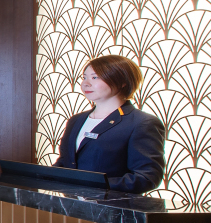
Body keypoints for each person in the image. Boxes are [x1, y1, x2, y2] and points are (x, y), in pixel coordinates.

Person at [54, 54, 165, 192]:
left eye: (95, 77)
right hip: (70, 203)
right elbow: (64, 163)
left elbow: (147, 178)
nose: (86, 83)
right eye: (84, 77)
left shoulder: (142, 123)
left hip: (110, 204)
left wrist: (90, 185)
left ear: (122, 81)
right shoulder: (76, 120)